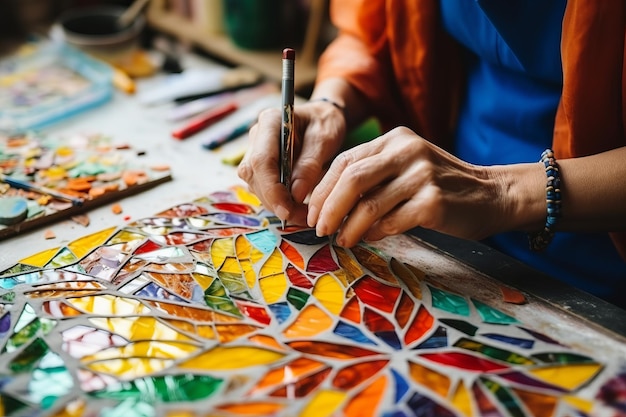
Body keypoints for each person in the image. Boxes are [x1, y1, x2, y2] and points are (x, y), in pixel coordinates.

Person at [237, 0, 626, 309]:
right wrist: (331, 104)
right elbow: (374, 28)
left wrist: (501, 192)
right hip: (445, 230)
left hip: (600, 269)